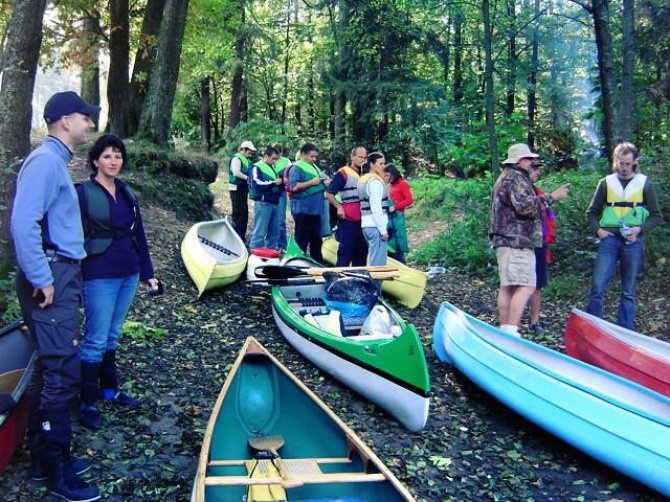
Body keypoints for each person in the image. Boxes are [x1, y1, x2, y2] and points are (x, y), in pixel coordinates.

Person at [10, 91, 101, 501]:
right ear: (66, 120)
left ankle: (42, 459)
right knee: (62, 371)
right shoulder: (46, 161)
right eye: (86, 117)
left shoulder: (55, 160)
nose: (90, 124)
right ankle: (57, 468)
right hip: (52, 275)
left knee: (49, 368)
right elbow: (22, 222)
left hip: (59, 272)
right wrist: (42, 276)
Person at [76, 134, 159, 430]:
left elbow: (139, 234)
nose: (114, 161)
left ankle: (110, 391)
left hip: (128, 271)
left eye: (118, 156)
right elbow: (69, 233)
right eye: (108, 156)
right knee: (96, 338)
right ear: (96, 160)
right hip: (99, 271)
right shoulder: (82, 193)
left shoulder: (126, 192)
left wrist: (147, 273)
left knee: (112, 335)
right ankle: (87, 401)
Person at [489, 143, 569, 337]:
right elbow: (525, 207)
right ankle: (511, 331)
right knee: (527, 285)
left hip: (506, 240)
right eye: (528, 158)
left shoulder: (505, 177)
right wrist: (552, 197)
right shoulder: (516, 178)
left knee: (508, 287)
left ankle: (504, 331)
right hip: (516, 241)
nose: (532, 162)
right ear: (518, 161)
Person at [585, 142, 664, 329]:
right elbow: (591, 213)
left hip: (632, 242)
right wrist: (599, 231)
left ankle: (625, 331)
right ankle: (592, 327)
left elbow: (657, 216)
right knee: (597, 286)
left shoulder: (644, 184)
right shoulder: (606, 183)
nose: (624, 168)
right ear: (616, 161)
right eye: (621, 163)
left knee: (628, 291)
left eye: (628, 163)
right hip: (609, 240)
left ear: (634, 162)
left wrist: (640, 229)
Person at [527, 162, 557, 334]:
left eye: (538, 169)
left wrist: (548, 237)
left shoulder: (537, 190)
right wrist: (552, 196)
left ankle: (535, 321)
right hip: (525, 243)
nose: (537, 172)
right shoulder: (520, 191)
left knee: (537, 284)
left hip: (540, 242)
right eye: (534, 169)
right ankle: (510, 324)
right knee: (519, 284)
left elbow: (548, 216)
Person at [326, 146, 368, 266]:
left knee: (362, 253)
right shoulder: (343, 173)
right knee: (345, 252)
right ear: (352, 157)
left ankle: (358, 276)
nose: (362, 160)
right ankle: (340, 275)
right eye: (360, 157)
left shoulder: (366, 173)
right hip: (348, 220)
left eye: (364, 158)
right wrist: (339, 207)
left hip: (364, 220)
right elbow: (329, 193)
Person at [287, 143, 328, 262]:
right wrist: (311, 182)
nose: (314, 159)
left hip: (316, 211)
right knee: (302, 240)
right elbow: (294, 187)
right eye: (312, 156)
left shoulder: (314, 167)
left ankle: (316, 263)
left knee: (317, 240)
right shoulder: (296, 168)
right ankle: (298, 262)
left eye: (315, 157)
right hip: (304, 210)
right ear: (303, 154)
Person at [358, 152, 389, 267]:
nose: (383, 166)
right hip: (375, 226)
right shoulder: (375, 182)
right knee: (377, 265)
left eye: (384, 163)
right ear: (371, 164)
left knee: (372, 258)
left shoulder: (363, 179)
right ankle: (373, 280)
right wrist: (383, 230)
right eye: (380, 163)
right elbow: (376, 207)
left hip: (366, 225)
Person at [249, 146, 283, 250]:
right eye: (273, 158)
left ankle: (270, 253)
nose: (275, 161)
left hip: (275, 203)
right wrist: (274, 183)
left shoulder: (272, 168)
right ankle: (254, 253)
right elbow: (256, 184)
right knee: (260, 232)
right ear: (266, 156)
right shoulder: (256, 167)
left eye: (276, 159)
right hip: (263, 203)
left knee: (274, 232)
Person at [228, 140, 257, 242]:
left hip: (243, 189)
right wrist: (248, 178)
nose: (251, 153)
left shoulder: (245, 159)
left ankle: (241, 238)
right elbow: (236, 172)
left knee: (244, 214)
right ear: (244, 149)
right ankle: (236, 239)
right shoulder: (236, 158)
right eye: (250, 151)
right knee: (238, 214)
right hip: (236, 188)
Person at [385, 163, 414, 264]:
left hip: (398, 216)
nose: (386, 178)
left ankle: (403, 266)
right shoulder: (392, 185)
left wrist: (395, 207)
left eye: (387, 175)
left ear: (393, 173)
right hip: (391, 217)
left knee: (397, 244)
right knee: (390, 244)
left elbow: (409, 200)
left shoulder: (402, 184)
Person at [272, 144, 292, 251]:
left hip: (281, 192)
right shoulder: (268, 159)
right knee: (269, 219)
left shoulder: (286, 161)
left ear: (281, 152)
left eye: (278, 152)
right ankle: (270, 244)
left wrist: (283, 181)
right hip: (269, 191)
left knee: (280, 219)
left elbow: (289, 176)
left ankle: (282, 245)